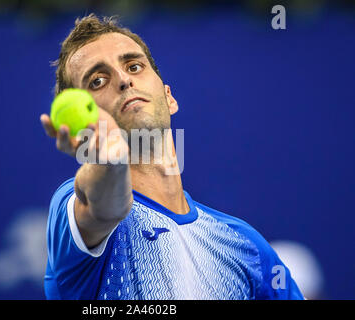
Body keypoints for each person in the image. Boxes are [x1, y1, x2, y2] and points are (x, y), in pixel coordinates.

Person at [40, 14, 303, 300]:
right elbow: (103, 207)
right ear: (81, 128)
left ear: (169, 97)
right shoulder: (74, 208)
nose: (124, 80)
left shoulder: (245, 245)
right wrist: (112, 162)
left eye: (134, 66)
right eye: (98, 80)